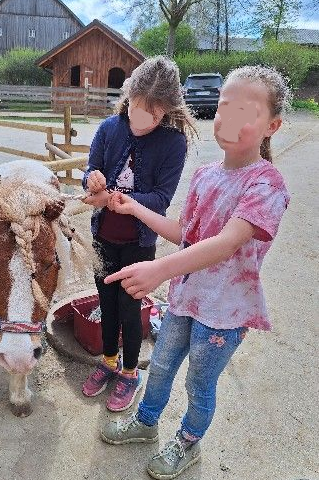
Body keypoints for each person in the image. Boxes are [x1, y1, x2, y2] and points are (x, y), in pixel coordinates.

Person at [100, 65, 292, 479]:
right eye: (224, 107)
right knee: (161, 366)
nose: (229, 119)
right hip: (185, 299)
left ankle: (188, 441)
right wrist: (135, 208)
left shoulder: (267, 185)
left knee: (199, 384)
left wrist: (158, 269)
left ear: (272, 126)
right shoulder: (206, 175)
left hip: (224, 312)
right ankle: (146, 423)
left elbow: (226, 243)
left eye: (245, 112)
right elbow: (185, 234)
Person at [81, 56, 197, 412]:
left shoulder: (173, 143)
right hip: (103, 238)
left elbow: (160, 199)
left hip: (138, 244)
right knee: (107, 304)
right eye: (135, 107)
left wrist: (122, 201)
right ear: (128, 95)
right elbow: (90, 171)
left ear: (166, 110)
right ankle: (109, 361)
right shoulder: (109, 129)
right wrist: (92, 179)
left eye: (152, 113)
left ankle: (130, 372)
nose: (140, 119)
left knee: (130, 311)